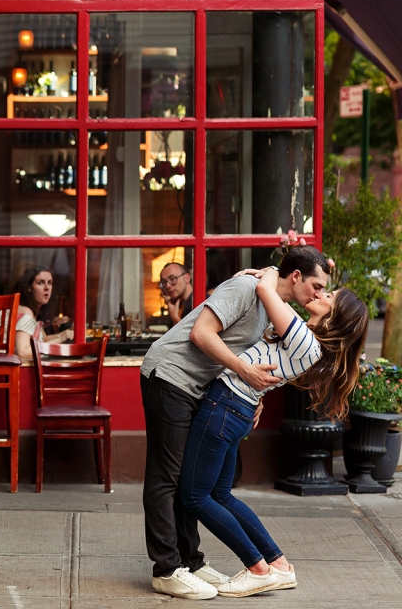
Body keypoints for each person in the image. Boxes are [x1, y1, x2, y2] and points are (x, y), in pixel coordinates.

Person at [140, 245, 330, 600]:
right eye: (317, 286)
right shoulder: (245, 288)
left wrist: (257, 393)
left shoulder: (275, 308)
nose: (319, 294)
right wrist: (245, 371)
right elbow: (201, 333)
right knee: (166, 477)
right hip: (170, 375)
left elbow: (260, 354)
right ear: (296, 276)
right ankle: (166, 570)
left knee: (188, 479)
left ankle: (190, 562)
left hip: (201, 387)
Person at [179, 269, 367, 597]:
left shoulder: (305, 339)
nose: (320, 294)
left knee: (195, 496)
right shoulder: (305, 338)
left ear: (336, 317)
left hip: (225, 407)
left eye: (330, 296)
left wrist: (268, 271)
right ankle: (277, 563)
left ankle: (257, 568)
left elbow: (267, 291)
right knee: (221, 495)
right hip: (237, 408)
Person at [7, 265, 73, 359]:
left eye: (50, 283)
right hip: (7, 364)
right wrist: (61, 339)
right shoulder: (25, 312)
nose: (47, 288)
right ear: (29, 287)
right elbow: (22, 352)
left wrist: (66, 333)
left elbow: (44, 339)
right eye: (40, 283)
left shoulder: (32, 311)